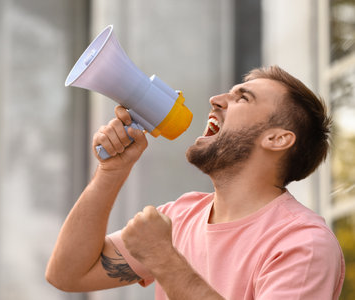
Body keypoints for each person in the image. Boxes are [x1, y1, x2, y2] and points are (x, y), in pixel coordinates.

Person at [46, 66, 345, 299]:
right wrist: (110, 172)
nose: (216, 100)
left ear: (277, 139)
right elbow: (67, 274)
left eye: (242, 97)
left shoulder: (303, 244)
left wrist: (164, 258)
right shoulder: (179, 217)